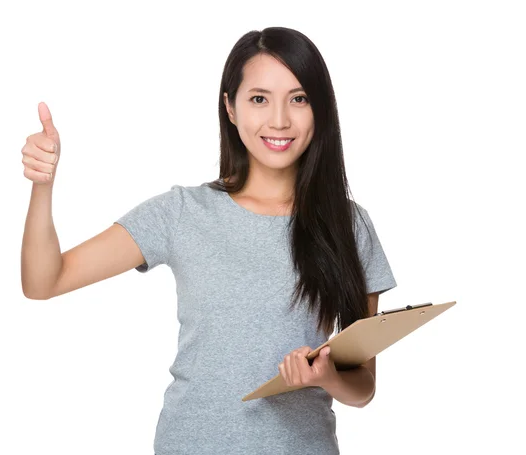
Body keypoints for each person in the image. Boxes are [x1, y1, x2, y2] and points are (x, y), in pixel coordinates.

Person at [21, 26, 397, 455]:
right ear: (230, 108)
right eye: (259, 99)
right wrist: (42, 186)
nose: (279, 120)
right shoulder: (181, 213)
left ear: (320, 110)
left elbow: (363, 387)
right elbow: (43, 282)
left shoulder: (348, 225)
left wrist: (325, 376)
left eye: (299, 98)